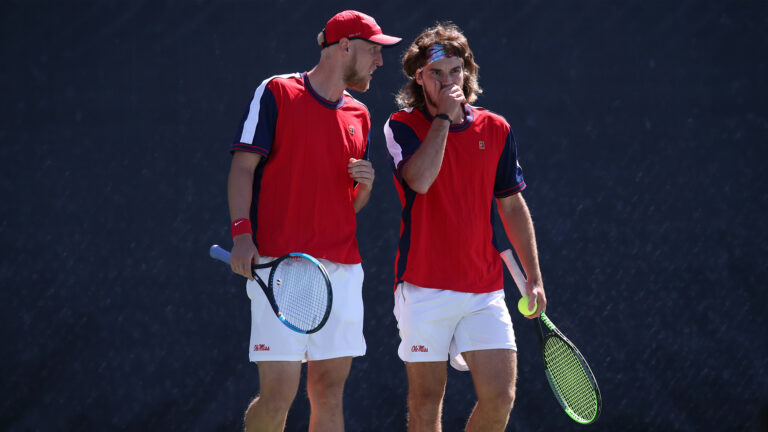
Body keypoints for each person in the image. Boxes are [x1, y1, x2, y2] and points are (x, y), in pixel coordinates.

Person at [226, 10, 400, 432]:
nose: (380, 61)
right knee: (278, 396)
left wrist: (366, 190)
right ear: (344, 46)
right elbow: (243, 168)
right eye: (374, 50)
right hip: (280, 267)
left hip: (341, 270)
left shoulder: (360, 114)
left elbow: (344, 205)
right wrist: (242, 236)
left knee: (328, 391)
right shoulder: (277, 92)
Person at [383, 23, 547, 432]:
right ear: (419, 78)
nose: (447, 81)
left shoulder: (496, 129)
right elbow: (420, 180)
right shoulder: (400, 126)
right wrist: (442, 120)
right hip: (423, 288)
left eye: (454, 71)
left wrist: (534, 277)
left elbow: (511, 203)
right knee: (425, 404)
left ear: (467, 73)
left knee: (500, 398)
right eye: (435, 73)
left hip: (484, 290)